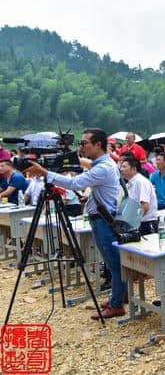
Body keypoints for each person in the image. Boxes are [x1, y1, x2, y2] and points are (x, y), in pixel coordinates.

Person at [26, 128, 125, 320]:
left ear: (98, 144)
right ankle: (117, 296)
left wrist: (45, 172)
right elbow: (87, 168)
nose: (82, 146)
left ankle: (117, 304)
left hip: (104, 221)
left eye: (85, 143)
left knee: (113, 263)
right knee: (112, 262)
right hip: (102, 219)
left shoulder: (103, 167)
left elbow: (75, 183)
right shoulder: (103, 163)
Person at [119, 157, 158, 235]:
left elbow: (144, 206)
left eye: (124, 166)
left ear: (134, 169)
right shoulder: (129, 184)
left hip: (146, 224)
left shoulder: (141, 182)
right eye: (121, 166)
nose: (121, 169)